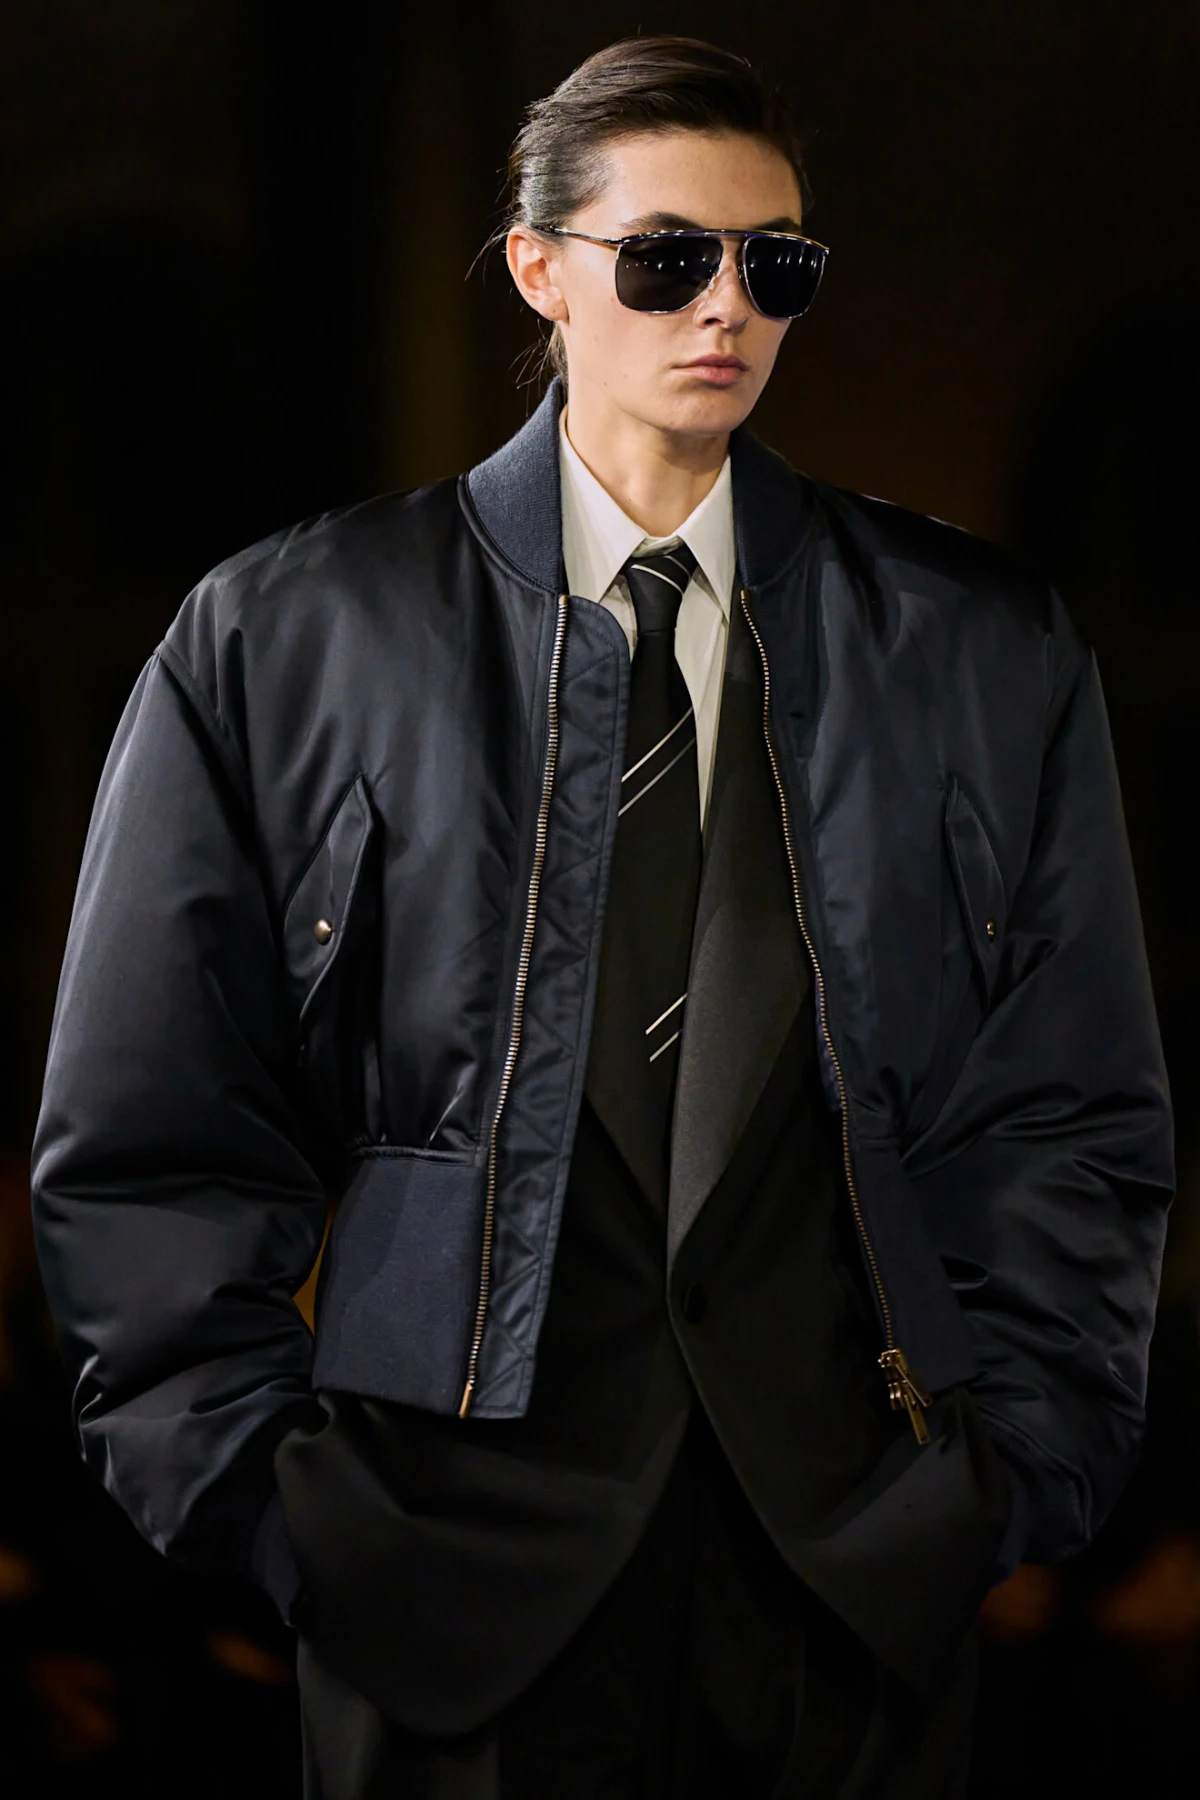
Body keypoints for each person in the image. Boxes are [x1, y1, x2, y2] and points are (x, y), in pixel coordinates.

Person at [30, 34, 1173, 1800]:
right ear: (539, 269)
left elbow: (1074, 1106)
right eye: (667, 256)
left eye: (775, 263)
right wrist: (269, 1504)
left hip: (854, 1572)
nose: (727, 305)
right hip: (432, 1570)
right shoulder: (289, 636)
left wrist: (1010, 1474)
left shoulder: (976, 648)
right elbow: (146, 1119)